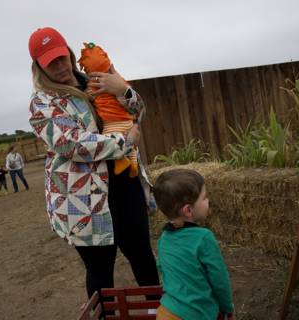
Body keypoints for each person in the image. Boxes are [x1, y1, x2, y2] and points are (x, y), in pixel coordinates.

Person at [27, 27, 159, 308]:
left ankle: (159, 312)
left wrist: (122, 89)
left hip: (124, 186)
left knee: (144, 258)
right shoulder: (42, 104)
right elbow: (72, 145)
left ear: (70, 54)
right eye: (51, 62)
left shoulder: (97, 81)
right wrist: (124, 142)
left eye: (62, 57)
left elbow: (140, 112)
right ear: (39, 66)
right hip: (82, 200)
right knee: (100, 273)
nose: (60, 65)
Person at [153, 169, 234, 320]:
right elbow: (219, 279)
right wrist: (227, 307)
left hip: (165, 313)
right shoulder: (204, 238)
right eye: (204, 197)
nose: (208, 201)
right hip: (197, 314)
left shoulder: (163, 239)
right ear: (188, 210)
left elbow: (163, 269)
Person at [78, 42, 140, 177]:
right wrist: (123, 88)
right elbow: (139, 111)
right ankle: (134, 164)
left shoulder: (92, 84)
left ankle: (122, 161)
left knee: (109, 135)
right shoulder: (117, 79)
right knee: (132, 145)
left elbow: (140, 109)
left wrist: (122, 89)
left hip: (111, 124)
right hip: (128, 122)